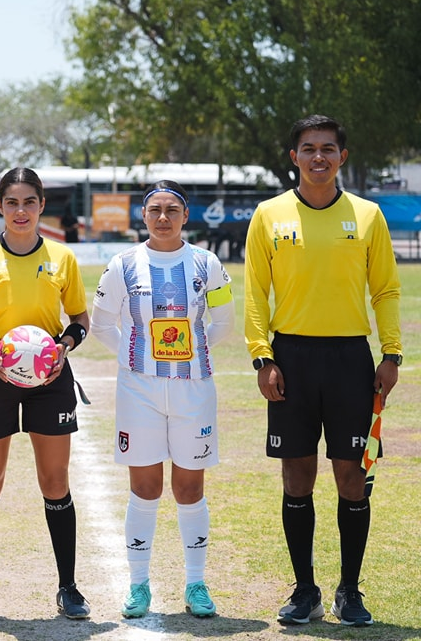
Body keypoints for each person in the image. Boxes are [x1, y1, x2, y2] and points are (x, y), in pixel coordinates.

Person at [244, 114, 401, 627]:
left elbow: (385, 290)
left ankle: (349, 592)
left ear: (342, 157)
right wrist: (263, 357)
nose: (318, 157)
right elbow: (255, 295)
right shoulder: (268, 214)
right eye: (308, 149)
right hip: (290, 359)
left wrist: (392, 354)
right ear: (294, 158)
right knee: (297, 477)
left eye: (327, 149)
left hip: (350, 361)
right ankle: (306, 590)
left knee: (353, 477)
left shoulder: (368, 215)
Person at [0, 167, 92, 620]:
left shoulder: (63, 258)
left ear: (42, 206)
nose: (21, 210)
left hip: (50, 381)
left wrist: (63, 347)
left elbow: (80, 320)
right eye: (12, 202)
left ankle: (68, 587)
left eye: (30, 202)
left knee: (55, 481)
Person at [90, 180, 234, 619]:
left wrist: (194, 353)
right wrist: (139, 359)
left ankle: (196, 584)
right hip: (139, 391)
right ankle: (138, 586)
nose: (163, 217)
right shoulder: (123, 264)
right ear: (144, 215)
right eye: (155, 209)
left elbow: (224, 320)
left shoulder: (207, 263)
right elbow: (101, 325)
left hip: (194, 391)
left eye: (172, 209)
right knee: (145, 487)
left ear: (185, 216)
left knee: (190, 488)